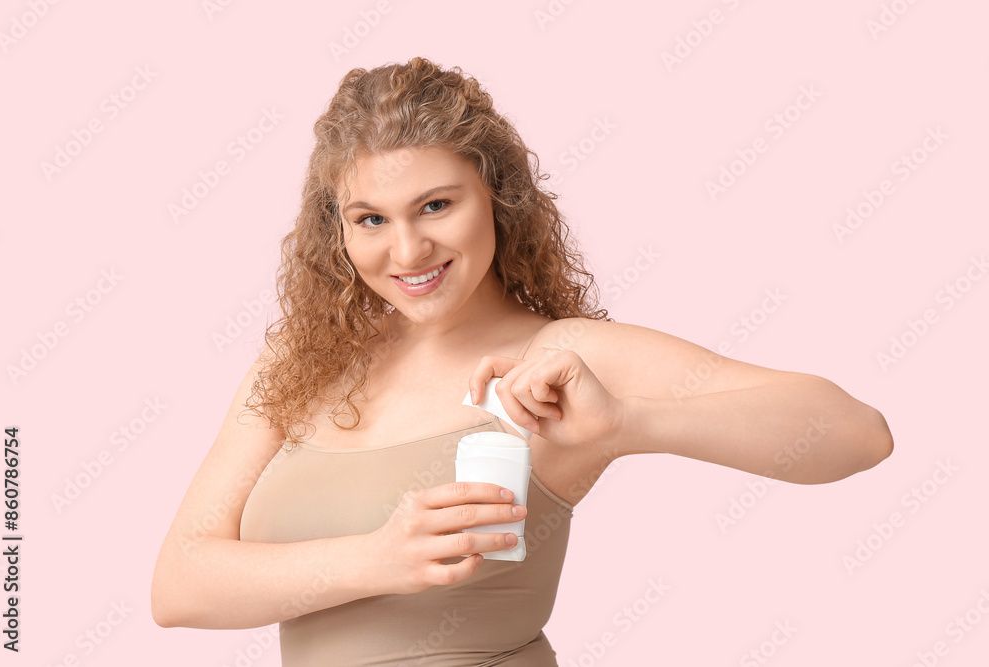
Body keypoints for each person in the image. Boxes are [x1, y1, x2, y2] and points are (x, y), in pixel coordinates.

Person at [151, 57, 894, 665]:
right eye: (371, 219)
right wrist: (376, 558)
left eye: (436, 206)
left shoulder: (561, 359)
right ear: (336, 230)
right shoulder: (304, 362)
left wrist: (630, 423)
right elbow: (180, 583)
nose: (407, 251)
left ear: (497, 198)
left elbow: (857, 434)